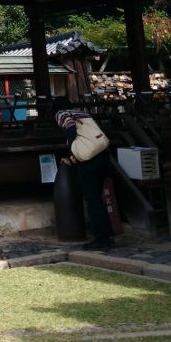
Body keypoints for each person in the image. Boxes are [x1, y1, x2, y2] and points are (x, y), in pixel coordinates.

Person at [52, 97, 115, 251]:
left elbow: (70, 127)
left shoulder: (61, 114)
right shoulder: (82, 114)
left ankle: (101, 238)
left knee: (92, 200)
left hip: (89, 161)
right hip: (103, 156)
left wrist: (72, 148)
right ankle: (107, 235)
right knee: (98, 200)